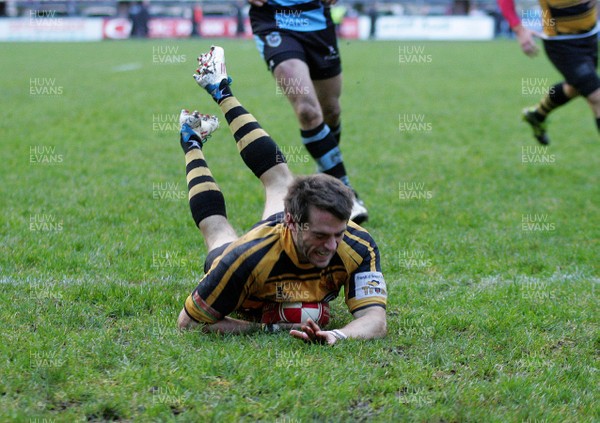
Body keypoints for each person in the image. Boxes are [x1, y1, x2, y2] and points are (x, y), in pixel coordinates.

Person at [176, 46, 387, 345]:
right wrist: (268, 327)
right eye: (321, 235)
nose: (331, 245)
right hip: (265, 248)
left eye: (338, 233)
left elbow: (375, 321)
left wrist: (335, 335)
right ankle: (192, 141)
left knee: (280, 179)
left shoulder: (358, 244)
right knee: (217, 232)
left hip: (283, 238)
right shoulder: (243, 259)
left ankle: (219, 92)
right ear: (291, 221)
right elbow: (189, 323)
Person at [247, 0, 368, 223]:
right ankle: (346, 194)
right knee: (307, 111)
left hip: (317, 18)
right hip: (274, 18)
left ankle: (326, 184)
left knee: (330, 110)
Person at [497, 0, 600, 144]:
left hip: (590, 36)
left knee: (576, 87)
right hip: (562, 43)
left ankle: (537, 115)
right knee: (596, 96)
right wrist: (519, 30)